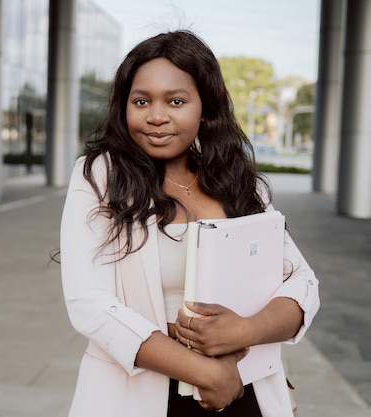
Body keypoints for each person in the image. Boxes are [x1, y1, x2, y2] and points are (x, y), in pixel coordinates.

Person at [60, 30, 320, 417]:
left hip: (242, 388)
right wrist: (207, 371)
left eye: (176, 101)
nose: (156, 115)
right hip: (138, 393)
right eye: (141, 101)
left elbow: (301, 282)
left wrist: (246, 332)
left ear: (205, 108)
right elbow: (90, 305)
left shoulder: (236, 182)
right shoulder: (100, 174)